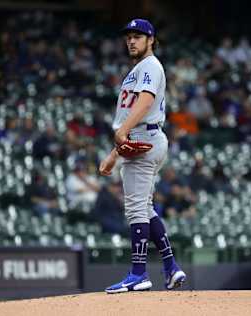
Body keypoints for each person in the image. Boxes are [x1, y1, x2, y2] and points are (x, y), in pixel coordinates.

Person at [98, 18, 186, 294]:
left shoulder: (149, 65)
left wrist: (122, 132)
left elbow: (145, 101)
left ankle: (138, 273)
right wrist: (115, 154)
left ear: (151, 40)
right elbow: (131, 114)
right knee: (144, 208)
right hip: (142, 137)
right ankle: (171, 268)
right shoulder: (139, 69)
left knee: (136, 208)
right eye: (129, 37)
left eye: (138, 36)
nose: (131, 40)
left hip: (144, 138)